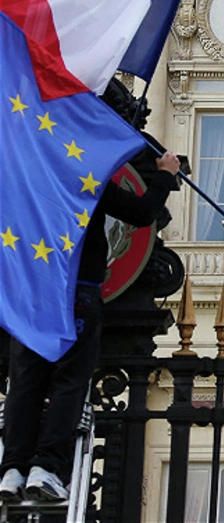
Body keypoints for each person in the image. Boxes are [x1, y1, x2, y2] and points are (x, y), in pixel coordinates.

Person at [0, 150, 180, 503]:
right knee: (69, 378)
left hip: (30, 290)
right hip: (76, 288)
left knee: (24, 379)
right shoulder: (80, 176)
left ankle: (12, 469)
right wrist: (164, 175)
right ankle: (47, 467)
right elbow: (142, 213)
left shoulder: (19, 172)